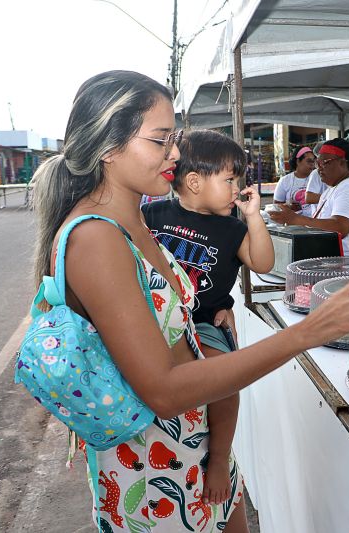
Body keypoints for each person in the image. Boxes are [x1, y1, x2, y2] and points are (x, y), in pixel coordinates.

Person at [30, 70, 349, 532]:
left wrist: (201, 323)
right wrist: (307, 332)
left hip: (196, 440)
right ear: (108, 145)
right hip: (153, 467)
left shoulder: (135, 220)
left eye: (175, 139)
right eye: (161, 139)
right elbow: (162, 390)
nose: (175, 154)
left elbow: (167, 320)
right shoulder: (97, 237)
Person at [141, 129, 274, 504]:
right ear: (195, 182)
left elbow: (263, 262)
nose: (237, 189)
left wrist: (253, 217)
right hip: (156, 321)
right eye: (230, 179)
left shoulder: (233, 228)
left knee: (224, 381)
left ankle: (218, 459)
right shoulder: (152, 215)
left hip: (203, 322)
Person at [269, 138, 349, 258]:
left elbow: (340, 227)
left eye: (324, 162)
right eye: (317, 164)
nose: (319, 168)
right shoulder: (331, 189)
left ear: (343, 162)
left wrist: (297, 219)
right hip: (339, 263)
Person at [274, 145, 315, 215]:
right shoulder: (285, 181)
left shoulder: (317, 179)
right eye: (309, 161)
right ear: (298, 161)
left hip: (313, 222)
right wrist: (288, 206)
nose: (312, 165)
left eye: (313, 161)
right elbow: (276, 205)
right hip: (292, 222)